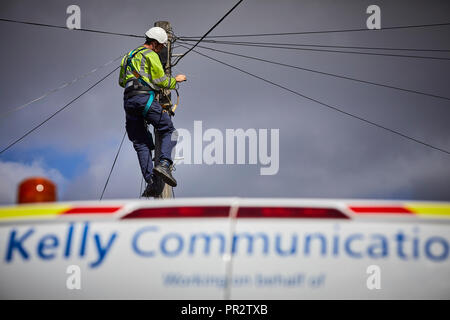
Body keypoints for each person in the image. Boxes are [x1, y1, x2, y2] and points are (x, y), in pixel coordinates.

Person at [118, 26, 186, 197]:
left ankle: (151, 182)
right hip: (144, 98)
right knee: (169, 130)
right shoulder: (151, 55)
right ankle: (164, 164)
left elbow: (121, 81)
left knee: (140, 142)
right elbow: (160, 80)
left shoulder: (128, 56)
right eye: (162, 46)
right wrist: (176, 80)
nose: (162, 48)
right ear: (155, 44)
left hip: (129, 100)